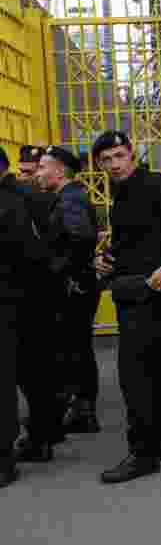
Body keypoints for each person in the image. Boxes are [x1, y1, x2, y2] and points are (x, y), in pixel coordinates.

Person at [91, 130, 161, 484]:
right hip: (134, 292)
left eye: (119, 156)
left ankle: (143, 453)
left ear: (132, 155)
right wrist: (108, 260)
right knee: (151, 373)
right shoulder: (120, 195)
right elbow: (133, 243)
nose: (114, 165)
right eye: (106, 160)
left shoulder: (156, 186)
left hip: (154, 295)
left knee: (135, 377)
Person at [35, 146, 102, 434]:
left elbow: (81, 238)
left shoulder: (71, 198)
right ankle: (81, 409)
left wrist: (63, 271)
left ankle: (82, 410)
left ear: (59, 171)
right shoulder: (66, 196)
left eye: (42, 167)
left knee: (74, 347)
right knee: (76, 345)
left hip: (73, 285)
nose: (39, 173)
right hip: (76, 281)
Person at [0, 149, 51, 485]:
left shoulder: (10, 202)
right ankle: (42, 436)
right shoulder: (29, 195)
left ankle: (6, 458)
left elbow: (27, 251)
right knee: (32, 370)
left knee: (9, 376)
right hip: (29, 297)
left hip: (11, 297)